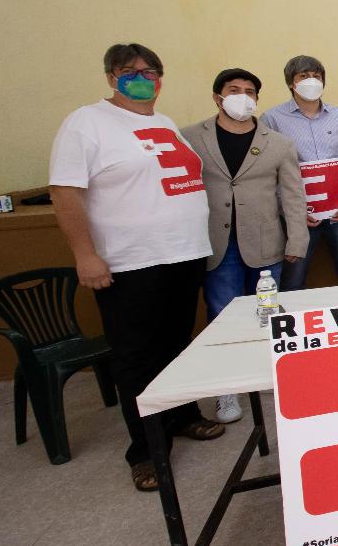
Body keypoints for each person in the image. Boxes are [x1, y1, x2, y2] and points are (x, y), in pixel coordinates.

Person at [49, 43, 225, 492]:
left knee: (176, 345)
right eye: (131, 71)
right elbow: (65, 193)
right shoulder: (87, 123)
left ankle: (182, 416)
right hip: (131, 262)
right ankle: (145, 449)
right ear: (112, 76)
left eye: (151, 71)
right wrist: (85, 254)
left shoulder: (163, 123)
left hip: (182, 254)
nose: (143, 77)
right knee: (136, 357)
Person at [182, 68, 308, 423]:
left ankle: (265, 374)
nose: (242, 96)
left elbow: (293, 196)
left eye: (249, 91)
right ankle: (227, 391)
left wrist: (297, 237)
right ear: (217, 97)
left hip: (266, 243)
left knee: (265, 313)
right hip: (218, 244)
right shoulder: (191, 137)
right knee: (222, 315)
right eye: (233, 90)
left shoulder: (278, 142)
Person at [261, 55, 338, 289]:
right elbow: (270, 173)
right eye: (304, 76)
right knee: (293, 280)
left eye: (316, 76)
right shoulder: (272, 119)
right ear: (291, 83)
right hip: (299, 216)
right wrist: (288, 210)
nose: (311, 81)